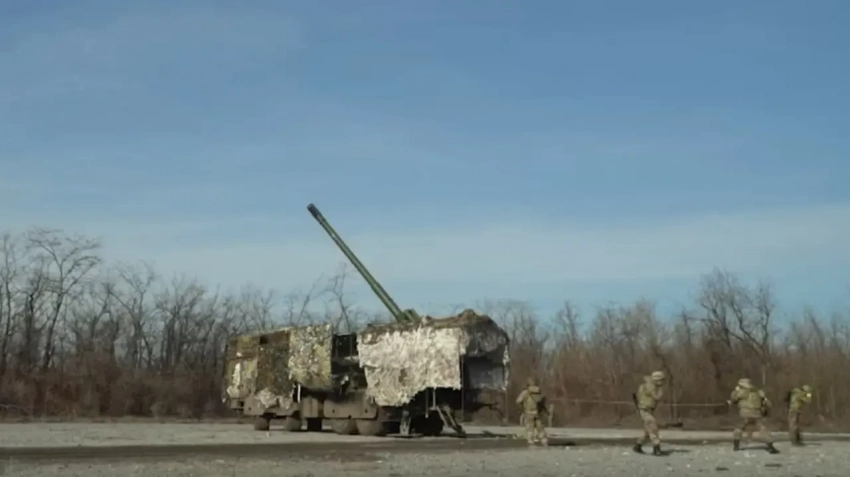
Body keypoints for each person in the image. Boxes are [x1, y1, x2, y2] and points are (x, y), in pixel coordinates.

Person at [728, 378, 780, 454]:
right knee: (762, 429)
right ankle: (770, 445)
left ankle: (736, 445)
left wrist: (735, 392)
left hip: (745, 412)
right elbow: (767, 402)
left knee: (739, 428)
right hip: (756, 413)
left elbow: (734, 399)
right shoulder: (758, 391)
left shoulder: (741, 391)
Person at [632, 370, 665, 456]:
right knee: (653, 427)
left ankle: (638, 445)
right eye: (661, 380)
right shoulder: (650, 386)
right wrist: (660, 389)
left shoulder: (650, 386)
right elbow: (657, 397)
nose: (662, 382)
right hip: (645, 410)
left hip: (648, 410)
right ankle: (656, 448)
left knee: (648, 431)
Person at [516, 377, 549, 446]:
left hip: (529, 412)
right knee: (540, 428)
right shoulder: (539, 391)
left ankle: (531, 442)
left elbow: (518, 401)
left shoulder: (526, 392)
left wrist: (522, 405)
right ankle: (544, 441)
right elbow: (543, 401)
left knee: (530, 428)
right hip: (537, 412)